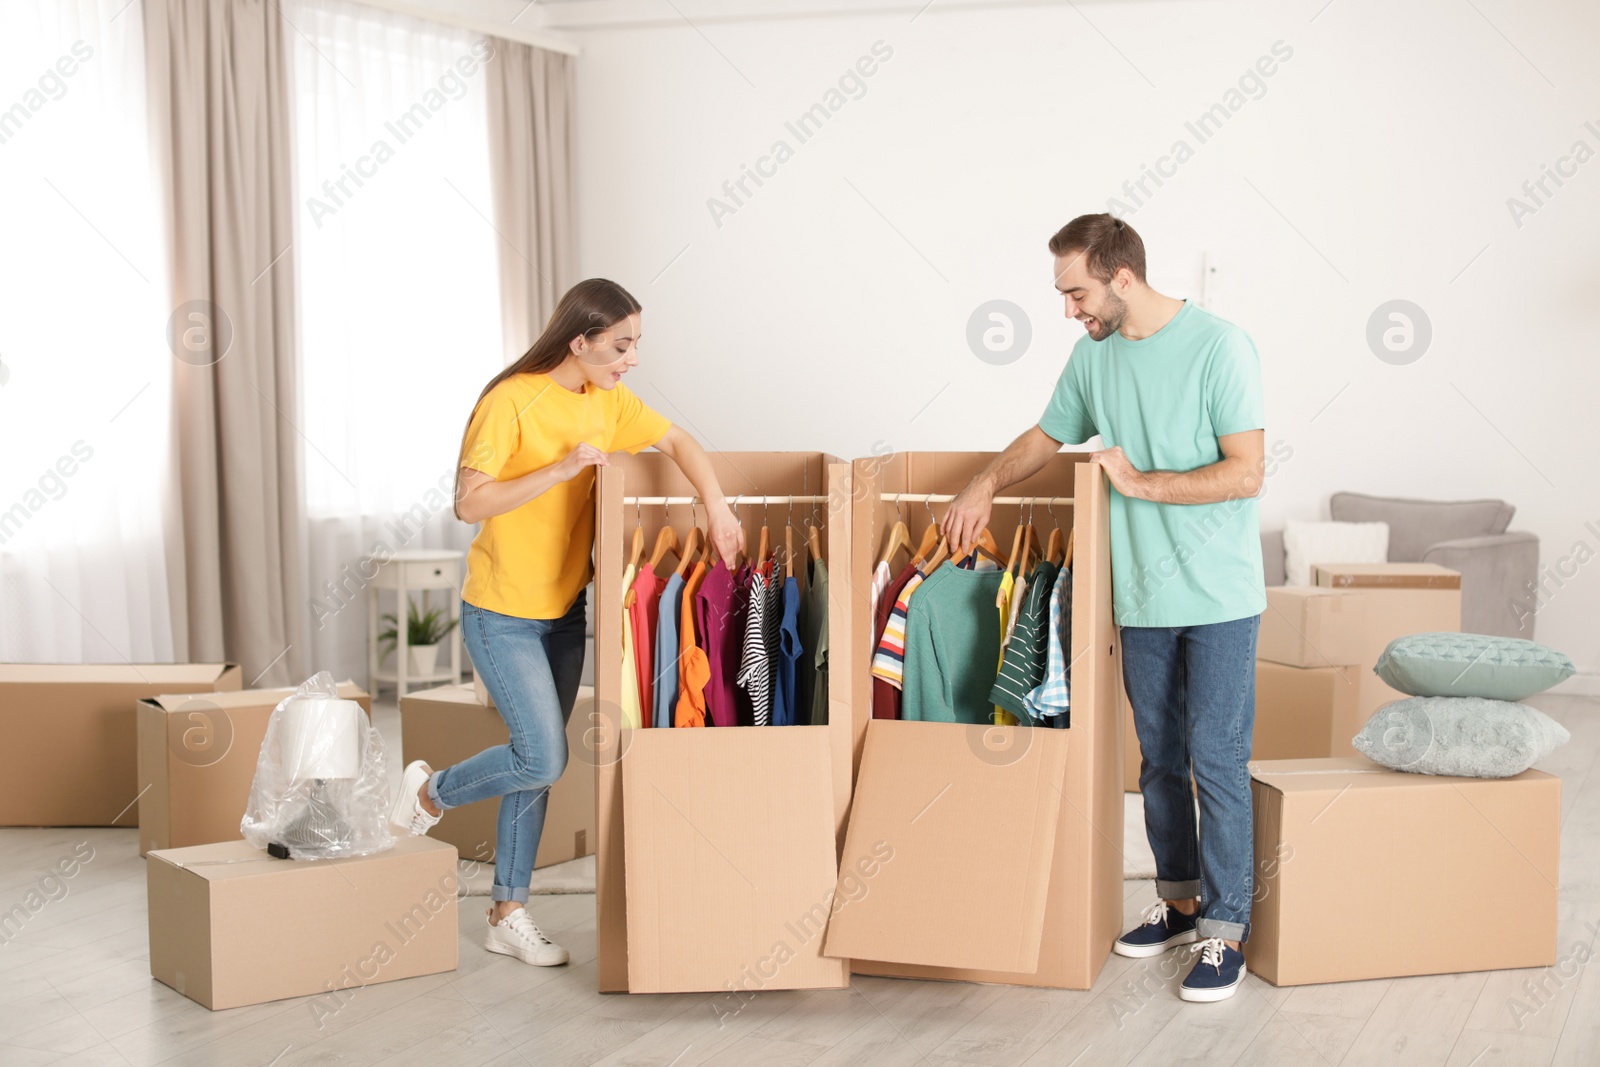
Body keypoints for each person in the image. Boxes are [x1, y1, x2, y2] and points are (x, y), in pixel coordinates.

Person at [943, 214, 1266, 1002]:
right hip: (1144, 597)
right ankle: (1182, 901)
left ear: (1122, 278)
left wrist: (1141, 483)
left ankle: (1226, 933)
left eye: (1076, 292)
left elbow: (1246, 472)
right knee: (1158, 758)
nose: (1068, 310)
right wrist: (985, 482)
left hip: (1220, 594)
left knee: (1214, 759)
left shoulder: (1221, 346)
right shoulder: (1094, 359)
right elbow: (1045, 437)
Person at [388, 278, 744, 966]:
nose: (632, 358)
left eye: (636, 343)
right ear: (578, 341)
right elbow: (469, 502)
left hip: (563, 612)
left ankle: (506, 911)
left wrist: (718, 505)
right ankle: (430, 791)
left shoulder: (607, 402)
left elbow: (680, 441)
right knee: (541, 754)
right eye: (621, 344)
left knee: (535, 768)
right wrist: (559, 468)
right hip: (501, 612)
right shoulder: (510, 401)